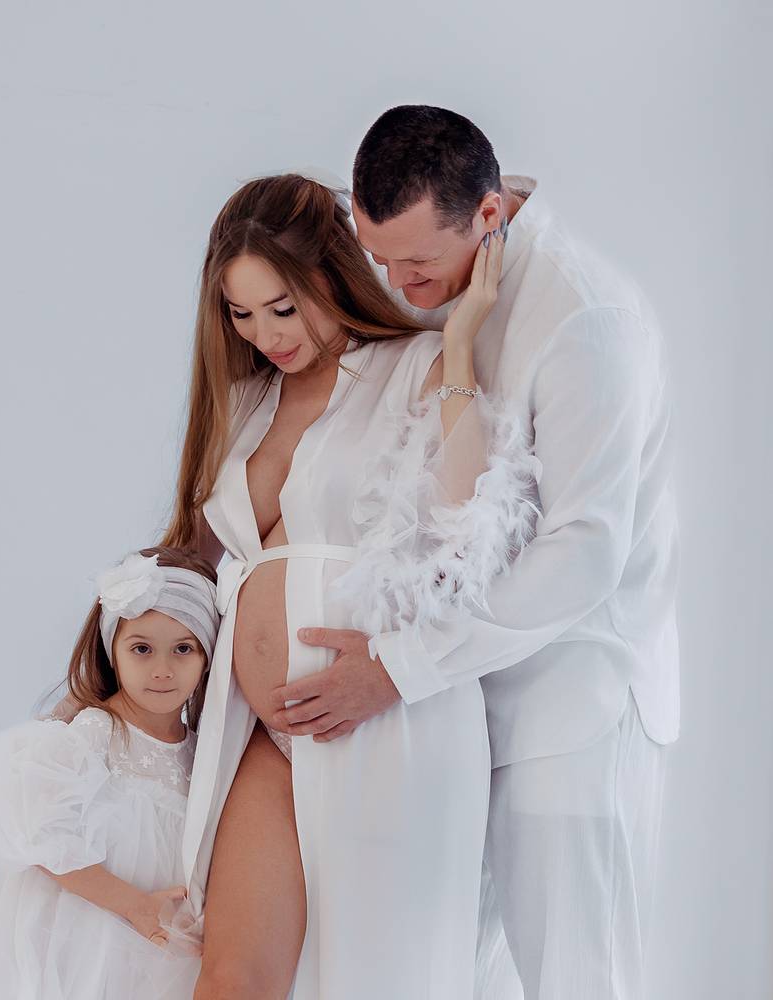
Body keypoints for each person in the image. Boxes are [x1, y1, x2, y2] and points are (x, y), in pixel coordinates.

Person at [267, 105, 677, 1000]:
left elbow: (584, 551)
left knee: (579, 980)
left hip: (570, 711)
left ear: (489, 213)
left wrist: (397, 667)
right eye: (380, 258)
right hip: (456, 716)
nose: (399, 284)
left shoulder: (585, 319)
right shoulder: (448, 292)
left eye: (417, 264)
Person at [171, 174, 536, 999]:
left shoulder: (412, 366)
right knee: (232, 980)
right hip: (258, 730)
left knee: (380, 978)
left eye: (282, 307)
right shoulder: (245, 400)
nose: (264, 334)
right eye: (241, 313)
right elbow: (193, 558)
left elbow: (467, 524)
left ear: (331, 272)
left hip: (386, 718)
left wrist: (458, 343)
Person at [0, 548, 218, 1000]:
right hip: (90, 932)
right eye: (142, 649)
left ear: (207, 656)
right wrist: (135, 907)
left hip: (159, 947)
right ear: (112, 651)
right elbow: (46, 838)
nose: (162, 670)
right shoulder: (95, 733)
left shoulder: (201, 753)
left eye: (183, 649)